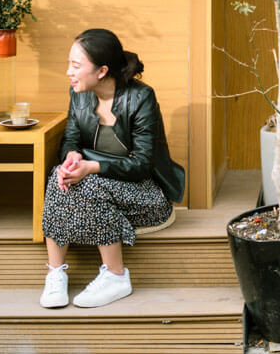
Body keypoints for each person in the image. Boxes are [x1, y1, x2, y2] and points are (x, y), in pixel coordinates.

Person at [39, 28, 185, 309]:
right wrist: (71, 157)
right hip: (101, 191)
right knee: (58, 178)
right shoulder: (80, 94)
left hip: (147, 195)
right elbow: (71, 137)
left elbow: (142, 164)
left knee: (88, 184)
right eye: (69, 63)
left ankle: (117, 275)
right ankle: (55, 274)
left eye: (76, 65)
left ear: (102, 70)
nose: (69, 71)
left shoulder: (141, 97)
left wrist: (90, 166)